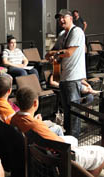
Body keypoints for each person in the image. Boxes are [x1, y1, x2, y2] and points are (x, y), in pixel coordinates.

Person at [11, 87, 104, 177]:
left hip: (40, 151)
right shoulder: (35, 125)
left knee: (73, 139)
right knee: (102, 152)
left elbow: (29, 124)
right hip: (60, 159)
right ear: (35, 103)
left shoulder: (14, 118)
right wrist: (38, 123)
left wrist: (37, 121)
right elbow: (61, 145)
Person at [45, 9, 86, 138]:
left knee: (74, 112)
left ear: (70, 18)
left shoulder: (77, 31)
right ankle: (68, 139)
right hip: (63, 78)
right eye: (59, 18)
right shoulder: (63, 34)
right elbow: (48, 53)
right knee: (67, 111)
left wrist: (55, 54)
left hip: (73, 78)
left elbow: (68, 52)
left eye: (64, 17)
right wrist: (54, 55)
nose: (61, 20)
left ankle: (74, 142)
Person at [0, 76, 64, 136]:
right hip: (29, 135)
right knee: (58, 128)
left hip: (27, 128)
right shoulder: (8, 112)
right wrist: (37, 122)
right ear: (9, 91)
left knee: (52, 124)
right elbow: (20, 125)